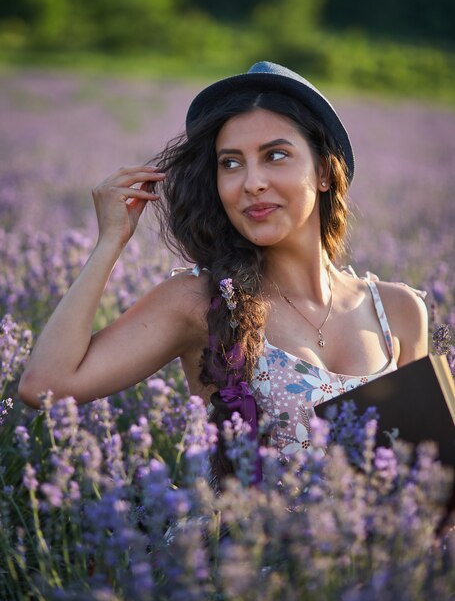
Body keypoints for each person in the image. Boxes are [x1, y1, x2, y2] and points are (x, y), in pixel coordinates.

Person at [19, 61, 428, 482]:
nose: (252, 182)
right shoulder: (202, 301)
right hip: (234, 547)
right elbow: (44, 386)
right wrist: (109, 245)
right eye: (231, 163)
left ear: (324, 171)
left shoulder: (399, 311)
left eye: (275, 155)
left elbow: (430, 484)